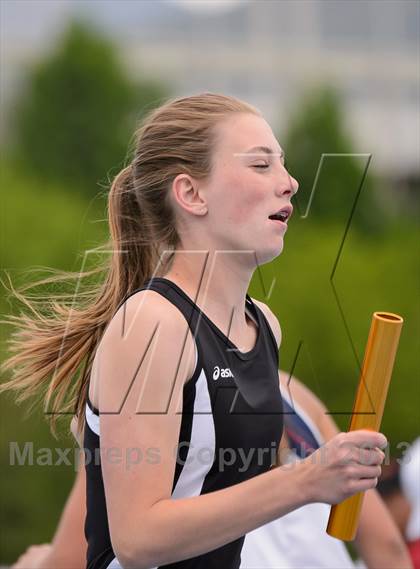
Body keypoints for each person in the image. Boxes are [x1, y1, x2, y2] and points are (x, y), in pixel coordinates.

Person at [1, 92, 388, 569]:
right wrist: (307, 480)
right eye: (261, 165)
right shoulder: (150, 323)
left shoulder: (262, 324)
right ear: (191, 194)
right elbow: (138, 539)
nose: (289, 183)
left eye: (283, 165)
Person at [11, 372, 412, 569]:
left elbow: (71, 559)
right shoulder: (289, 393)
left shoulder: (137, 392)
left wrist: (33, 563)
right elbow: (387, 547)